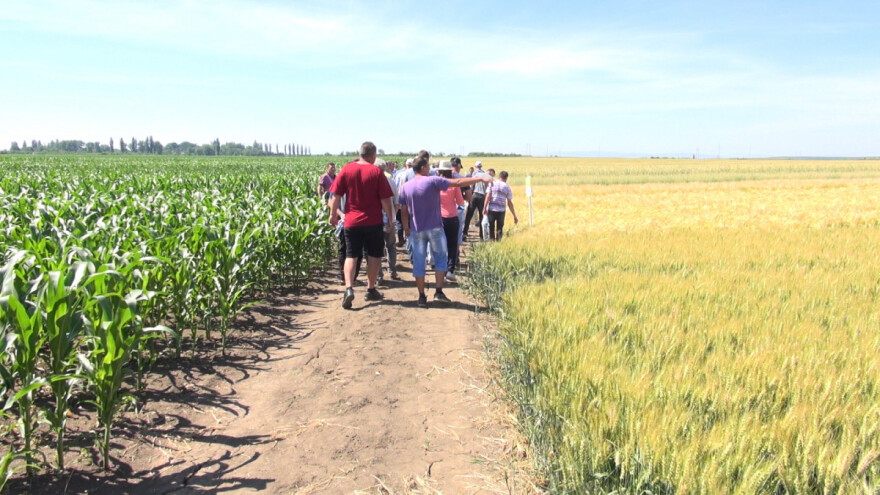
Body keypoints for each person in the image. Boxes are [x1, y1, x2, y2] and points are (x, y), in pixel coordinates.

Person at [398, 155, 492, 308]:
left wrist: (406, 227)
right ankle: (438, 291)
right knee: (441, 258)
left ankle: (421, 297)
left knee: (419, 262)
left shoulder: (406, 187)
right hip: (435, 227)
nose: (430, 169)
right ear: (423, 167)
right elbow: (458, 182)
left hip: (417, 229)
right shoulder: (432, 181)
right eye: (428, 166)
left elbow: (403, 210)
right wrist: (480, 179)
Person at [328, 142, 394, 309]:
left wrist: (333, 215)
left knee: (351, 255)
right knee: (374, 256)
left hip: (351, 222)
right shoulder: (376, 172)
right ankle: (370, 289)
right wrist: (390, 218)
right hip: (373, 221)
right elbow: (385, 199)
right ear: (373, 155)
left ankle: (349, 288)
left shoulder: (347, 169)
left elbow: (335, 196)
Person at [374, 158, 400, 281]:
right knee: (391, 246)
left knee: (376, 248)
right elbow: (397, 203)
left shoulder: (370, 183)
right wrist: (392, 217)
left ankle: (379, 275)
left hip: (375, 221)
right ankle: (392, 271)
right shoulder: (391, 182)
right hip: (390, 219)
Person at [438, 161, 464, 282]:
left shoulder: (436, 184)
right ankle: (450, 270)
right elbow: (460, 202)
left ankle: (441, 271)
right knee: (452, 245)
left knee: (441, 246)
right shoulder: (454, 185)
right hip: (452, 217)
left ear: (440, 171)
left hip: (439, 218)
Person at [482, 170, 518, 241]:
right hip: (501, 211)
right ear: (506, 178)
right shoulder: (507, 187)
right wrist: (514, 215)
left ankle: (492, 242)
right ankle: (498, 242)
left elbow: (488, 196)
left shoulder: (492, 183)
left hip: (491, 209)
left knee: (491, 227)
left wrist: (484, 208)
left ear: (499, 176)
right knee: (499, 229)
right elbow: (509, 202)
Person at [463, 161, 490, 240]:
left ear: (475, 166)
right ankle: (481, 235)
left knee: (469, 215)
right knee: (482, 216)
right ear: (481, 166)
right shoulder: (485, 174)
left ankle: (465, 233)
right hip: (482, 196)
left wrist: (470, 196)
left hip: (475, 195)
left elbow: (471, 186)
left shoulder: (475, 174)